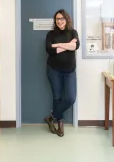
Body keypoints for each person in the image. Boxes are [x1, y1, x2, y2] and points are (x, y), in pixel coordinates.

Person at [44, 9, 80, 137]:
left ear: (66, 19)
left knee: (70, 98)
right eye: (57, 19)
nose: (59, 21)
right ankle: (59, 122)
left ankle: (51, 117)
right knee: (57, 97)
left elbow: (76, 46)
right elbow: (49, 49)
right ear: (55, 20)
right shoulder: (51, 34)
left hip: (69, 71)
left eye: (62, 18)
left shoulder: (73, 32)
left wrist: (57, 45)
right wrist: (67, 45)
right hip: (53, 70)